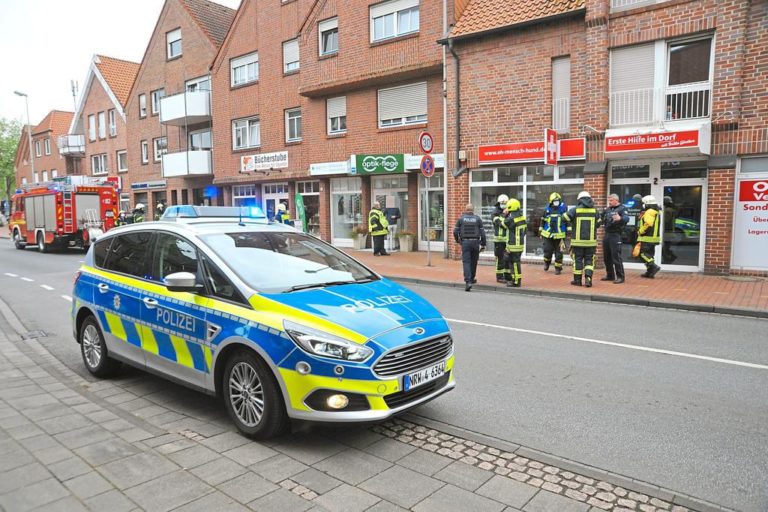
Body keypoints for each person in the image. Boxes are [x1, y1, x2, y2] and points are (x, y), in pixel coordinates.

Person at [563, 191, 600, 287]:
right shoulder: (595, 211)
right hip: (591, 243)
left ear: (579, 200)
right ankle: (588, 279)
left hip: (577, 242)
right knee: (589, 261)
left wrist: (572, 221)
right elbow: (599, 224)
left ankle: (577, 281)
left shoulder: (575, 210)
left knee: (578, 260)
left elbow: (564, 218)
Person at [453, 203, 486, 291]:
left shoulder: (461, 219)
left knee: (466, 262)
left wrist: (458, 240)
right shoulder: (478, 219)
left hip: (465, 243)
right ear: (473, 210)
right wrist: (483, 244)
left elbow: (455, 232)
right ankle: (472, 278)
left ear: (465, 209)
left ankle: (468, 282)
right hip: (475, 242)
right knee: (474, 261)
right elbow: (483, 233)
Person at [601, 193, 629, 284]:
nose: (609, 202)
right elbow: (601, 217)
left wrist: (620, 218)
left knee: (616, 256)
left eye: (611, 200)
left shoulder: (622, 208)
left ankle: (620, 277)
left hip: (616, 235)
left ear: (616, 200)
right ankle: (610, 275)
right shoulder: (608, 209)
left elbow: (626, 218)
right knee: (606, 257)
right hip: (607, 234)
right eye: (609, 200)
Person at [539, 192, 568, 275]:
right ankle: (546, 263)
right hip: (547, 234)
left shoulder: (563, 208)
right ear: (551, 202)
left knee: (559, 253)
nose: (556, 202)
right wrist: (540, 232)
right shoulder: (546, 209)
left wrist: (568, 232)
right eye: (555, 201)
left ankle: (558, 268)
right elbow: (542, 221)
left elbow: (567, 221)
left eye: (557, 200)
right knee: (547, 250)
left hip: (560, 235)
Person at [503, 198, 527, 288]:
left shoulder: (511, 218)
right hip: (519, 245)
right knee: (515, 263)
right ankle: (515, 279)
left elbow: (503, 224)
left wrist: (505, 215)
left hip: (513, 246)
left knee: (514, 264)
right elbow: (524, 232)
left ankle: (516, 282)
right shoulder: (522, 217)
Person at [637, 195, 662, 278]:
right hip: (653, 238)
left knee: (642, 254)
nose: (643, 205)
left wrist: (640, 231)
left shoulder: (649, 211)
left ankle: (654, 266)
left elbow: (648, 223)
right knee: (650, 255)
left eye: (643, 203)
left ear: (647, 203)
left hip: (647, 238)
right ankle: (650, 272)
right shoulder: (654, 211)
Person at [491, 194, 511, 283]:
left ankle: (507, 275)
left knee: (508, 258)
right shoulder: (495, 212)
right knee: (500, 258)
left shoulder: (510, 211)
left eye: (505, 203)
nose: (503, 204)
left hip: (508, 240)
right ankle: (499, 277)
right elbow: (499, 222)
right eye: (502, 203)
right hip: (499, 240)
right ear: (499, 203)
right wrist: (504, 214)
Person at [662, 195, 678, 263]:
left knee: (664, 247)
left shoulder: (667, 210)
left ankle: (669, 258)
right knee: (666, 246)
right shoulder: (672, 210)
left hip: (667, 231)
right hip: (669, 231)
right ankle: (670, 257)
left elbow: (666, 221)